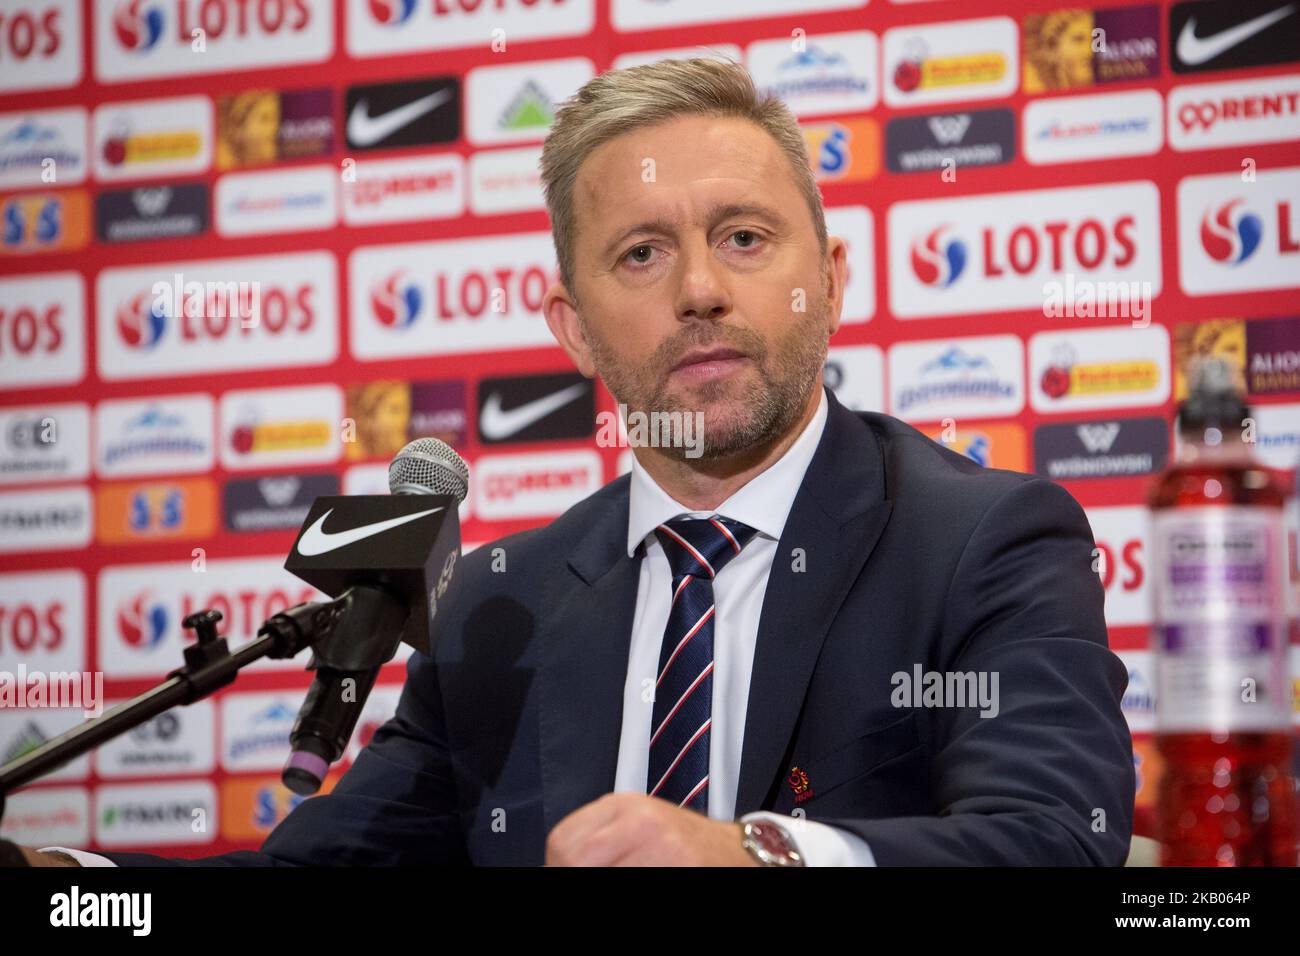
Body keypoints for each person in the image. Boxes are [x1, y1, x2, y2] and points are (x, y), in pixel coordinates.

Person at [17, 57, 1133, 867]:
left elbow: (1053, 840)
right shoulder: (502, 605)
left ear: (831, 277)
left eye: (744, 237)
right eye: (640, 253)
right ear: (573, 328)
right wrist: (67, 891)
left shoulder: (984, 539)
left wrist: (757, 857)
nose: (699, 287)